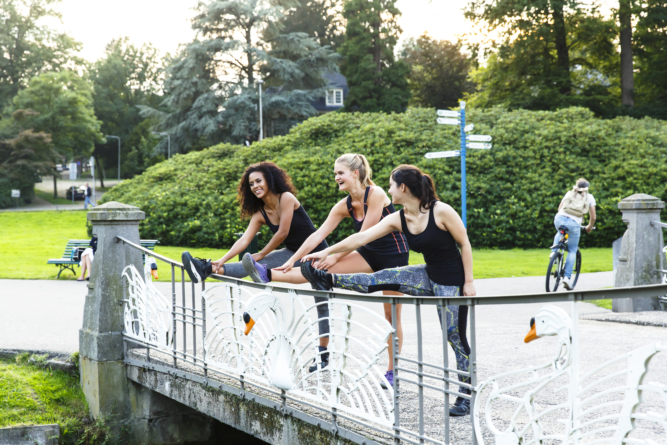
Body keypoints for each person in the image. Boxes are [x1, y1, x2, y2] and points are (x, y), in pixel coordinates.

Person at [300, 164, 476, 417]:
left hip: (452, 282)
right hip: (427, 274)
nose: (389, 190)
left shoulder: (440, 211)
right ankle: (328, 280)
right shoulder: (399, 217)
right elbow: (361, 239)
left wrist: (468, 281)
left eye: (392, 185)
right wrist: (327, 251)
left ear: (403, 187)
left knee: (454, 337)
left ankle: (466, 396)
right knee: (384, 277)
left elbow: (464, 243)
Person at [242, 153, 409, 383]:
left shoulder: (377, 194)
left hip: (393, 256)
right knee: (317, 270)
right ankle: (266, 273)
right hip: (368, 253)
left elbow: (364, 234)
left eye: (340, 173)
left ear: (355, 174)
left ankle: (393, 370)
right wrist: (293, 259)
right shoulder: (344, 205)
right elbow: (318, 234)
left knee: (391, 314)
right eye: (335, 174)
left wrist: (333, 255)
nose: (336, 178)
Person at [180, 162, 330, 361]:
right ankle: (207, 268)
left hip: (316, 253)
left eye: (258, 181)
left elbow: (283, 232)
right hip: (292, 252)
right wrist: (222, 259)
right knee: (254, 266)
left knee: (321, 303)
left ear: (269, 180)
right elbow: (244, 240)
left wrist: (262, 253)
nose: (255, 186)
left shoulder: (286, 198)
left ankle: (323, 355)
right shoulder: (260, 213)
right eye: (251, 184)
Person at [551, 178, 596, 290]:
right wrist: (589, 227)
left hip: (559, 219)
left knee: (559, 231)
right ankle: (567, 278)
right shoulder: (589, 197)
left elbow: (559, 208)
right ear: (587, 188)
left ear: (576, 185)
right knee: (572, 250)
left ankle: (553, 253)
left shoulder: (569, 193)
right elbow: (593, 217)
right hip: (574, 224)